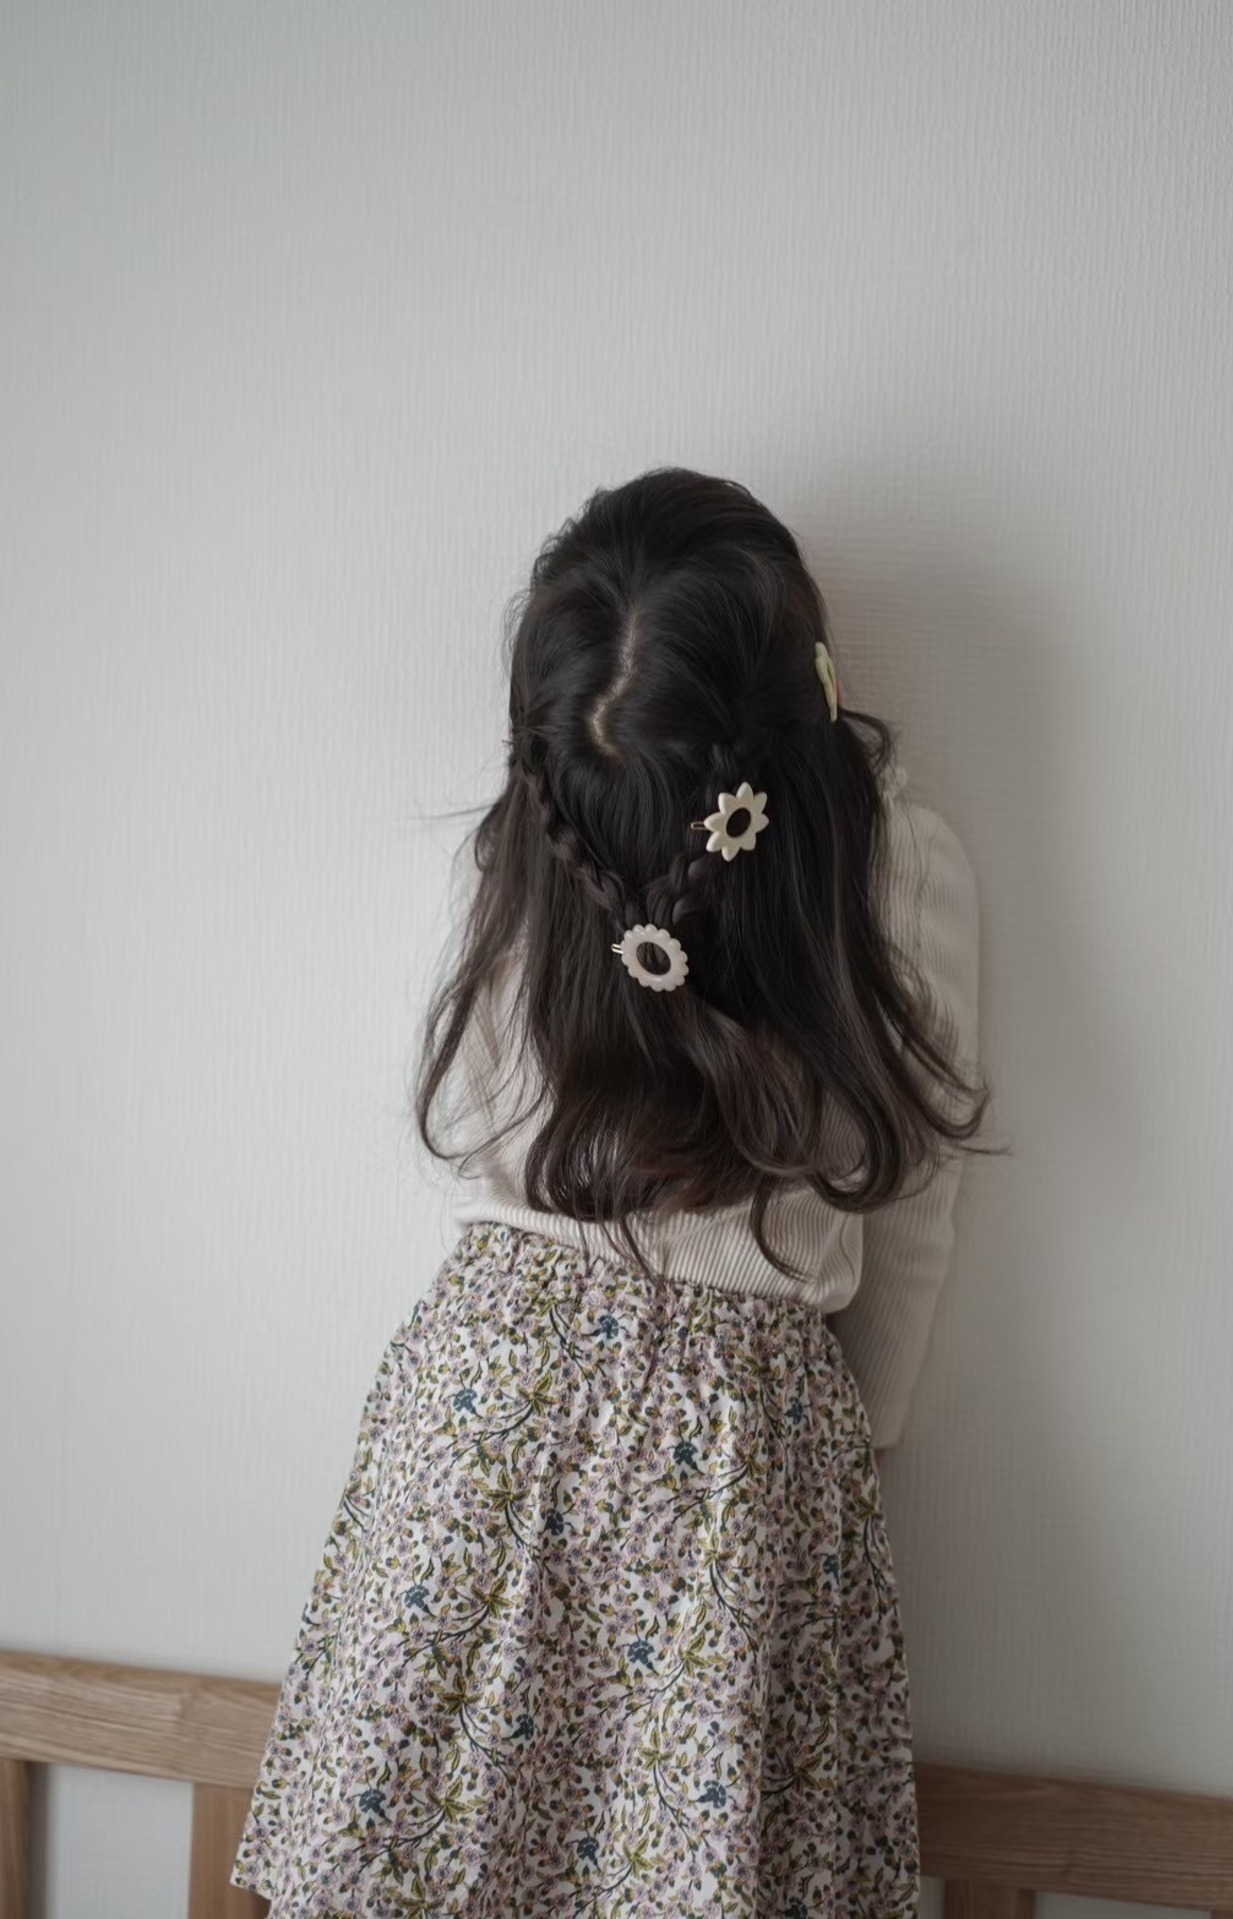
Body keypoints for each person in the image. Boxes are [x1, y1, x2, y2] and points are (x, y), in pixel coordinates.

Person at [233, 468, 987, 1917]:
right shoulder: (896, 866)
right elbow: (914, 1206)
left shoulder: (510, 857)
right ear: (809, 695)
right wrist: (854, 1437)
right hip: (740, 1450)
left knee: (438, 1853)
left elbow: (479, 1116)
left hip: (484, 1404)